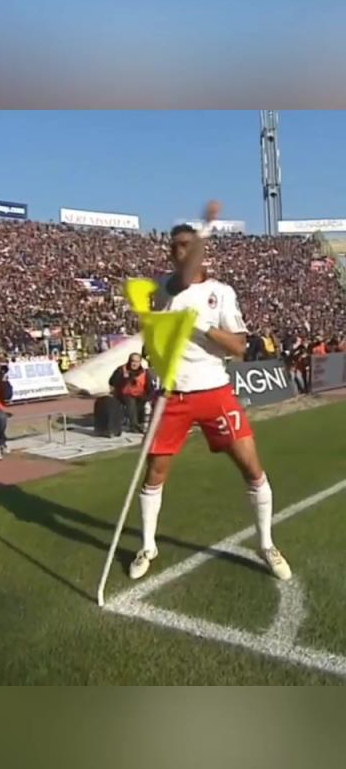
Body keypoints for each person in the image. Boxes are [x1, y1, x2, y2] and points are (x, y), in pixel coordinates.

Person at [130, 206, 292, 583]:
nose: (178, 251)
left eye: (186, 245)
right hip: (172, 394)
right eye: (173, 246)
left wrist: (203, 328)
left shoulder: (221, 293)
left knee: (251, 467)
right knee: (154, 473)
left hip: (214, 392)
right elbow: (171, 300)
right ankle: (148, 546)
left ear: (200, 251)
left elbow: (239, 348)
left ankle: (266, 544)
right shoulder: (163, 288)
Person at [108, 353, 155, 433]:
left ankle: (140, 424)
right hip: (124, 395)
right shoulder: (122, 370)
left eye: (137, 361)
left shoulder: (144, 372)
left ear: (140, 362)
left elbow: (149, 387)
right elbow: (112, 382)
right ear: (129, 361)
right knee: (131, 401)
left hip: (140, 395)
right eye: (133, 361)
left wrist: (148, 398)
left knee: (141, 403)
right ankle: (134, 426)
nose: (134, 364)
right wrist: (123, 378)